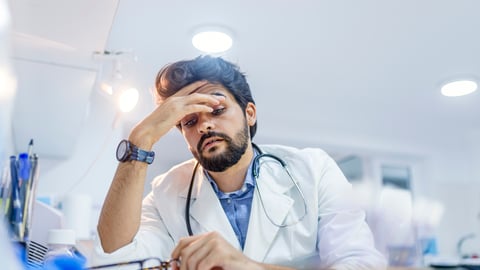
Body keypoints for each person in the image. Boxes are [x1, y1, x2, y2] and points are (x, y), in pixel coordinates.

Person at [94, 55, 387, 270]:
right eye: (189, 120)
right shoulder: (165, 191)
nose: (204, 126)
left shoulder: (313, 169)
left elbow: (360, 263)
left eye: (217, 109)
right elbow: (118, 255)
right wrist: (140, 139)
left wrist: (249, 267)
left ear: (249, 113)